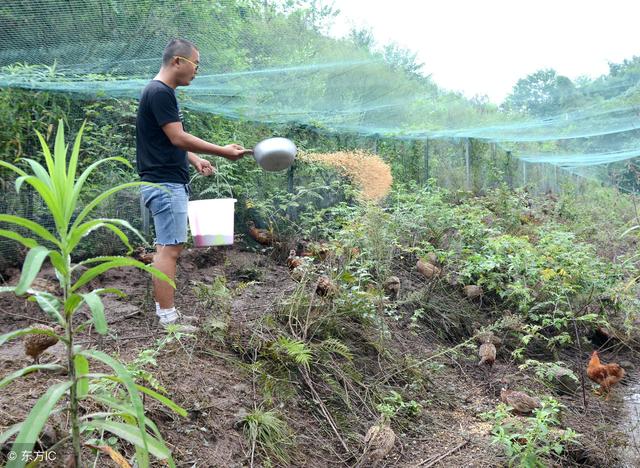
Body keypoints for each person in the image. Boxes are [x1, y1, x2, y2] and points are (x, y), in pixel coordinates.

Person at [136, 38, 251, 330]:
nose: (197, 71)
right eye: (195, 64)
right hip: (165, 184)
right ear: (178, 61)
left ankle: (165, 313)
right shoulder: (161, 92)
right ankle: (168, 319)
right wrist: (223, 150)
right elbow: (177, 136)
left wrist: (195, 159)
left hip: (161, 181)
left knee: (166, 248)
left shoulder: (157, 91)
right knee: (170, 250)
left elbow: (167, 139)